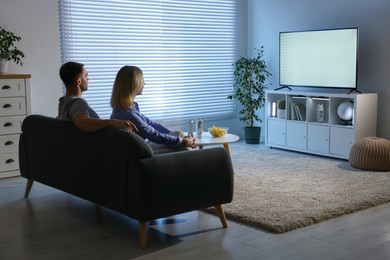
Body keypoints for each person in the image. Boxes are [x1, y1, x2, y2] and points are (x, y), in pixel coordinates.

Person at [110, 65, 196, 151]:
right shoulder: (129, 115)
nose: (144, 83)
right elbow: (153, 134)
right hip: (143, 152)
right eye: (142, 80)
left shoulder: (126, 108)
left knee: (179, 134)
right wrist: (183, 141)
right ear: (135, 83)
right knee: (183, 145)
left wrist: (176, 135)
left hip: (145, 146)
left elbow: (150, 123)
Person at [57, 61, 138, 133]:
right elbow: (83, 123)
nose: (88, 78)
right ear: (78, 81)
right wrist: (113, 122)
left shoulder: (63, 103)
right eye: (85, 76)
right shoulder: (78, 103)